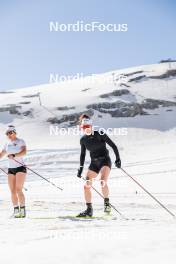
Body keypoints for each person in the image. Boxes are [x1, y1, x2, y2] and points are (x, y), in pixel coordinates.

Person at [77, 114, 121, 217]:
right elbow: (82, 154)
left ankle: (106, 204)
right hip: (94, 164)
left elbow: (113, 146)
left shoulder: (99, 134)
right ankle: (89, 210)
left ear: (91, 126)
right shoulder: (83, 140)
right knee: (86, 186)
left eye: (87, 127)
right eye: (84, 127)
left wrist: (118, 159)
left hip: (105, 161)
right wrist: (80, 168)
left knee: (102, 181)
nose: (86, 129)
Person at [0, 126, 27, 218]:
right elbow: (2, 153)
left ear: (15, 132)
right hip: (11, 169)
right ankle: (16, 211)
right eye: (7, 133)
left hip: (20, 167)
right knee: (12, 191)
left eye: (10, 132)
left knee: (18, 189)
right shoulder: (7, 144)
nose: (9, 135)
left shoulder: (20, 141)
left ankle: (22, 210)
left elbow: (24, 152)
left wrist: (14, 155)